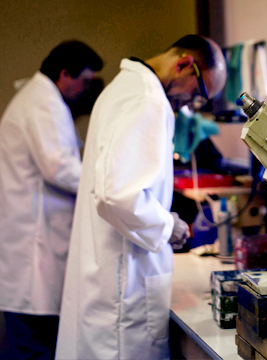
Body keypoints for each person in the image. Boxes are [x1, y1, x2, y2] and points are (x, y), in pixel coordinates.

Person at [55, 34, 227, 360]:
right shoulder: (147, 100)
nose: (192, 104)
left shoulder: (124, 88)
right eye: (199, 92)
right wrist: (168, 227)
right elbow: (119, 195)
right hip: (123, 295)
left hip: (108, 281)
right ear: (184, 65)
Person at [0, 40, 103, 360]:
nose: (86, 89)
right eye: (84, 81)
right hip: (35, 257)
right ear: (64, 74)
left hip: (35, 248)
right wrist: (107, 187)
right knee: (35, 347)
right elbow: (59, 168)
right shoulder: (42, 102)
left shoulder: (40, 98)